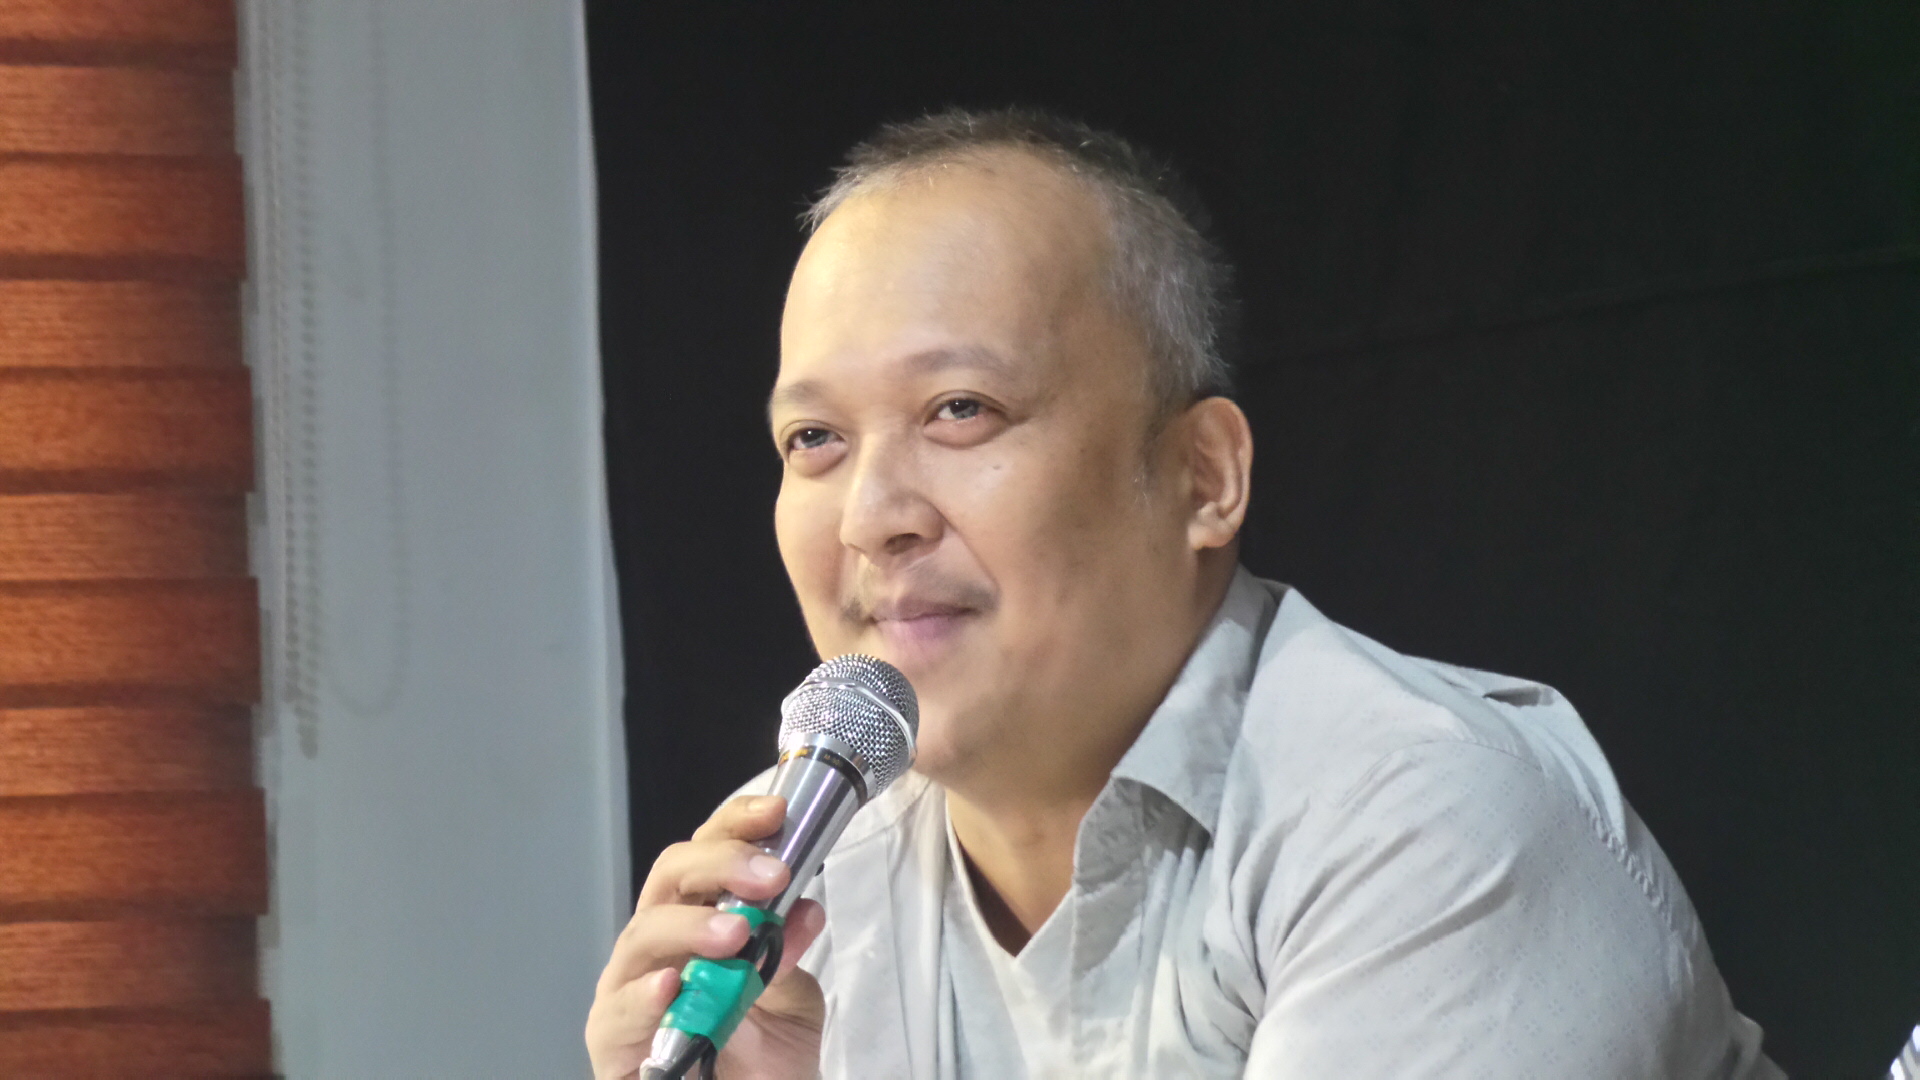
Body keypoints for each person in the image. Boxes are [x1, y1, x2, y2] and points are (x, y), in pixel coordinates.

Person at [586, 108, 1781, 1079]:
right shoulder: (793, 887)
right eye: (813, 439)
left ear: (1203, 476)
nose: (870, 516)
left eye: (960, 410)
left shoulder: (1424, 822)